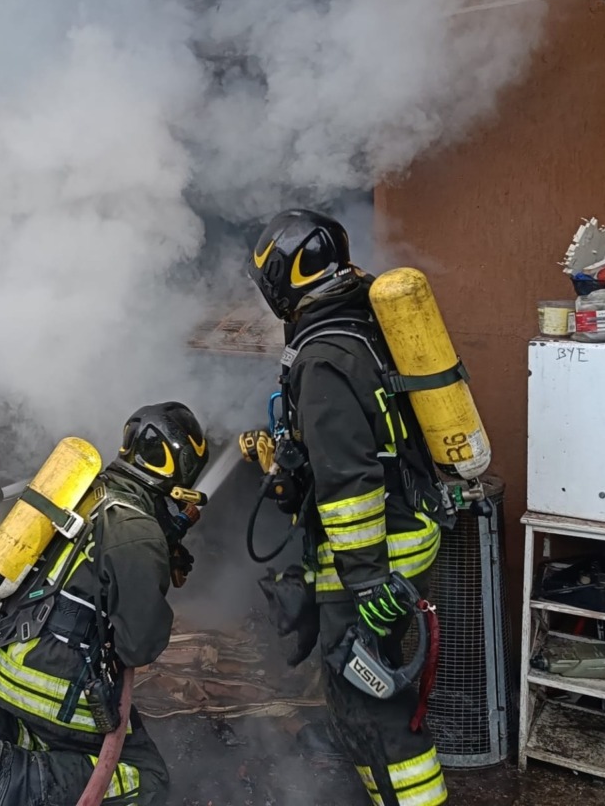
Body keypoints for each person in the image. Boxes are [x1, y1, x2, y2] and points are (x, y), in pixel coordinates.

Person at [244, 208, 449, 806]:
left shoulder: (325, 356)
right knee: (369, 687)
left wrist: (364, 582)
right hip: (406, 533)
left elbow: (351, 480)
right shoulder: (363, 327)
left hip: (373, 557)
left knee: (371, 701)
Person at [0, 402, 210, 806]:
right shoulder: (138, 531)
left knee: (32, 728)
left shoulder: (81, 494)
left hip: (1, 667)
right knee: (148, 777)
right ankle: (27, 780)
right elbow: (139, 645)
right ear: (181, 470)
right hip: (50, 687)